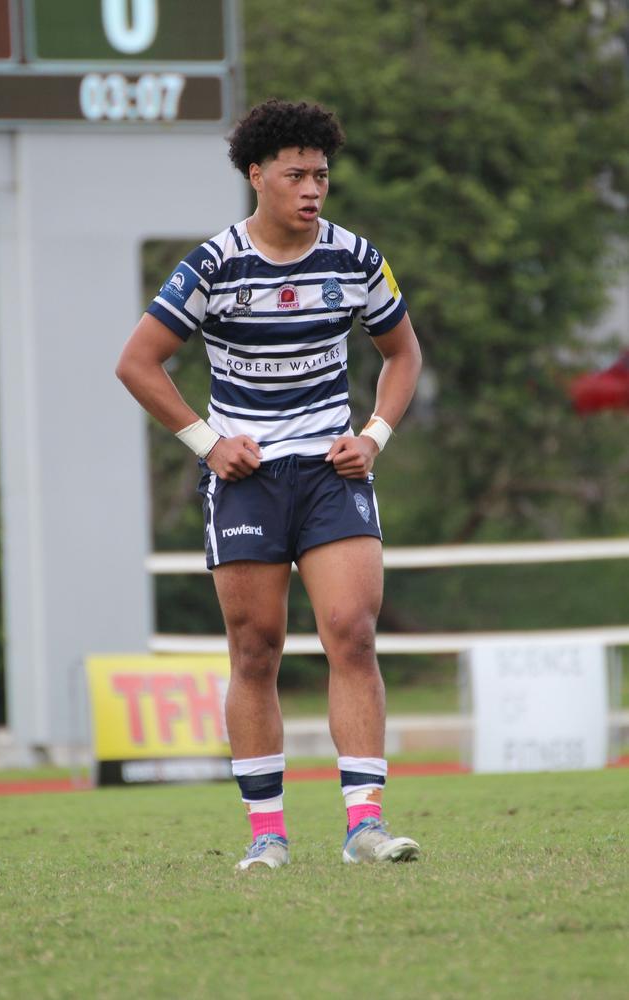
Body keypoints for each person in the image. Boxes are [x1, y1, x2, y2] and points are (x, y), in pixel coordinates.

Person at [116, 99, 423, 870]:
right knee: (256, 650)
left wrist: (373, 437)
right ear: (257, 175)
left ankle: (365, 827)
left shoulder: (354, 258)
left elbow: (403, 355)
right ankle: (267, 835)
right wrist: (208, 443)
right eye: (296, 174)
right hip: (248, 479)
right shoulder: (214, 265)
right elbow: (137, 362)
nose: (313, 188)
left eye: (322, 174)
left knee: (351, 631)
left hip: (329, 472)